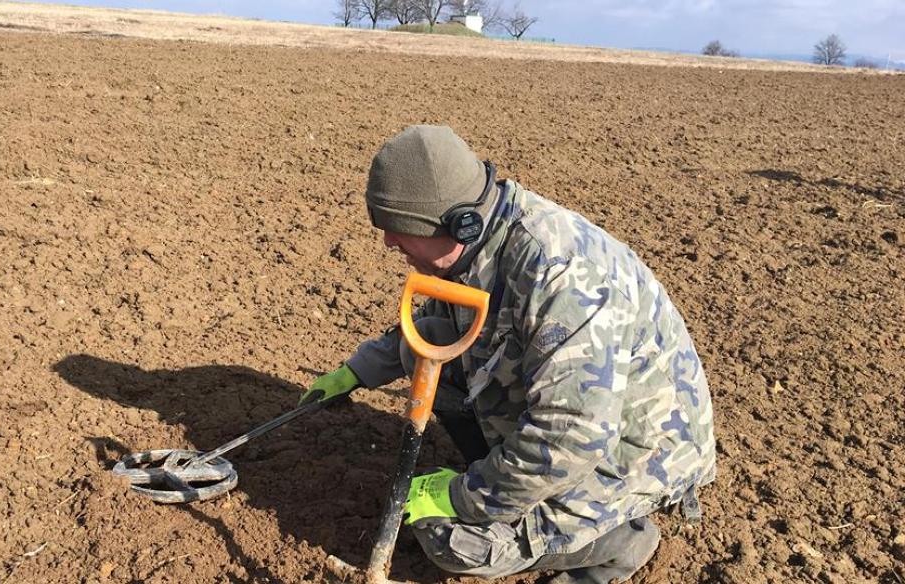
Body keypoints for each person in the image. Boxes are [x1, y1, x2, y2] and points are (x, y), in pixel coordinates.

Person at [299, 125, 716, 583]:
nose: (389, 243)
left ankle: (619, 539)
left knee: (453, 541)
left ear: (458, 222)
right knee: (431, 346)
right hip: (581, 423)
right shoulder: (486, 237)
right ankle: (507, 482)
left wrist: (462, 498)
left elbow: (573, 432)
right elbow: (434, 322)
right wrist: (355, 373)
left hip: (631, 456)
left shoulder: (560, 275)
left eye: (400, 230)